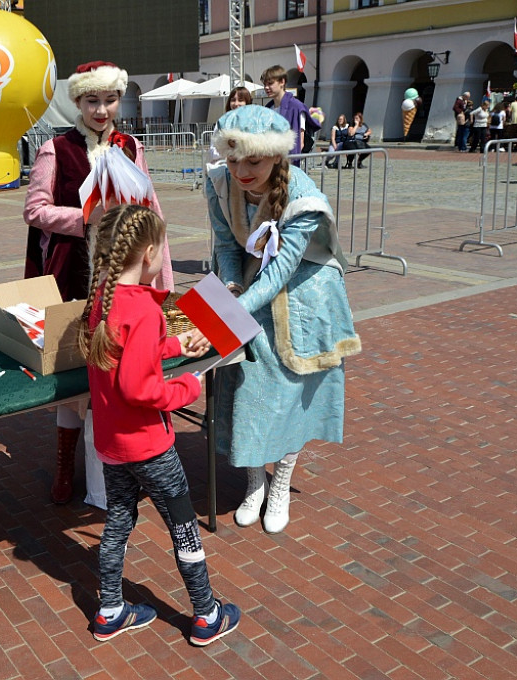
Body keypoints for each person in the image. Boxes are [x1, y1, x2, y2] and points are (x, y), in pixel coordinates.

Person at [80, 203, 241, 646]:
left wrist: (173, 346)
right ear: (149, 253)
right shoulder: (144, 310)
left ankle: (110, 609)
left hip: (112, 444)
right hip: (150, 445)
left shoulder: (104, 301)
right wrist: (189, 386)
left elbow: (126, 355)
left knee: (117, 522)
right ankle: (206, 613)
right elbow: (140, 388)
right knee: (183, 524)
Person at [22, 60, 175, 509]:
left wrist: (161, 278)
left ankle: (114, 472)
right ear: (78, 102)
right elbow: (35, 210)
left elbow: (151, 208)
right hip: (74, 274)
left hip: (124, 275)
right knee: (76, 376)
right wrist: (86, 218)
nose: (102, 109)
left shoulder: (131, 146)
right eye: (93, 100)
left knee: (114, 373)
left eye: (110, 100)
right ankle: (66, 463)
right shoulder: (56, 149)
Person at [206, 105, 361, 534]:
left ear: (275, 156)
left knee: (289, 391)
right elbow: (226, 244)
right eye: (233, 159)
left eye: (253, 161)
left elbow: (281, 271)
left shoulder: (304, 198)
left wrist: (235, 309)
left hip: (304, 294)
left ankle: (281, 482)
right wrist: (233, 287)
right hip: (251, 289)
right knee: (245, 386)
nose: (240, 171)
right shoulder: (219, 181)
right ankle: (255, 481)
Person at [262, 65, 310, 165]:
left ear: (282, 82)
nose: (266, 87)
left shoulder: (296, 107)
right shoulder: (268, 108)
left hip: (287, 162)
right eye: (264, 84)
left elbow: (299, 142)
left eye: (270, 83)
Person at [208, 86, 254, 163]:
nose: (236, 104)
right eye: (233, 100)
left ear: (247, 102)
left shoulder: (254, 122)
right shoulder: (222, 122)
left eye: (240, 100)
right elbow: (213, 149)